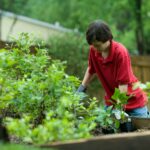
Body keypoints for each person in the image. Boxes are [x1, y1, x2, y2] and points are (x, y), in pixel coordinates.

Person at [77, 20, 148, 117]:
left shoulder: (120, 52)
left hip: (133, 101)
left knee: (144, 127)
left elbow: (123, 84)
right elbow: (91, 69)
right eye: (93, 45)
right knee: (104, 125)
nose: (95, 48)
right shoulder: (94, 50)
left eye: (98, 45)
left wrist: (119, 111)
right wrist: (81, 88)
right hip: (112, 103)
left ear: (107, 39)